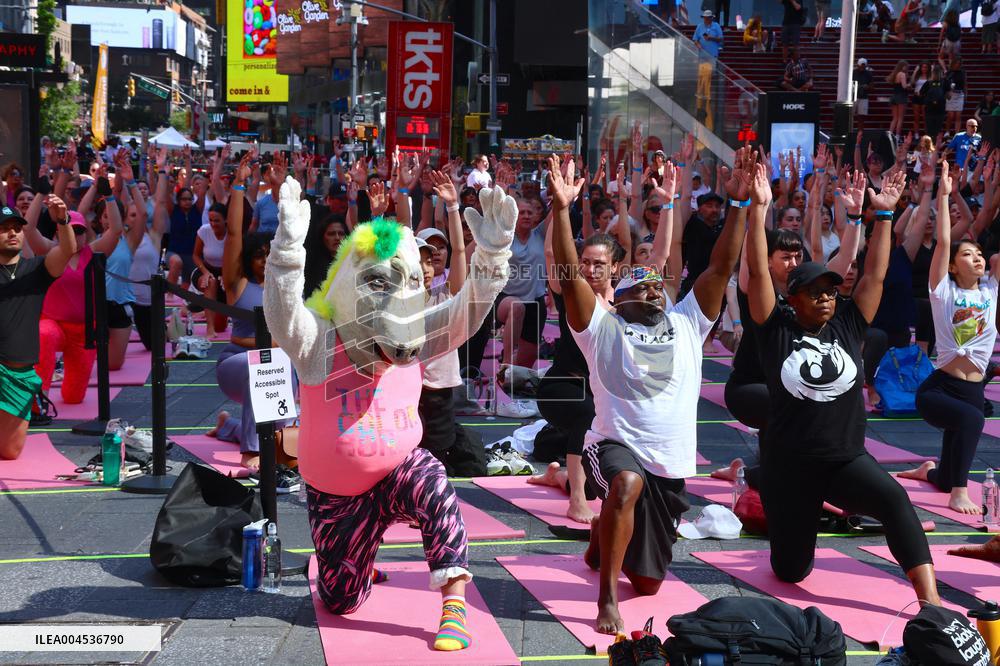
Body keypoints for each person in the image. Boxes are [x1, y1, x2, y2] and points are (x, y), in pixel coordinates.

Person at [263, 161, 516, 652]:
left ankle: (454, 603)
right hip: (336, 493)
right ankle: (360, 557)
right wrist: (287, 254)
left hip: (399, 468)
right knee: (340, 599)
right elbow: (282, 319)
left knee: (435, 484)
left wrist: (493, 254)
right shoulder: (320, 342)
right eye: (378, 284)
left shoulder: (413, 329)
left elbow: (466, 312)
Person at [551, 148, 748, 634]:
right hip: (612, 448)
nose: (653, 292)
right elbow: (571, 274)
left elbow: (720, 268)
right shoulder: (600, 327)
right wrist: (560, 210)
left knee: (651, 585)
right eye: (641, 288)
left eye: (659, 287)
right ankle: (606, 600)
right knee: (626, 485)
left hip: (670, 465)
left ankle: (602, 537)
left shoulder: (686, 321)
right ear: (618, 298)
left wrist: (740, 206)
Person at [744, 160, 940, 606]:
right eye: (816, 291)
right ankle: (757, 479)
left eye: (832, 289)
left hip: (845, 460)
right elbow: (758, 273)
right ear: (792, 298)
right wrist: (758, 210)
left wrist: (885, 215)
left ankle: (931, 603)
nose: (828, 295)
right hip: (789, 469)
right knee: (792, 571)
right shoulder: (775, 328)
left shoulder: (849, 324)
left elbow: (873, 275)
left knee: (895, 500)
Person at [900, 161, 998, 515]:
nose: (977, 259)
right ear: (953, 266)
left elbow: (989, 230)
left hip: (974, 392)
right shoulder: (944, 292)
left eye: (979, 255)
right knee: (973, 422)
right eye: (967, 255)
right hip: (939, 390)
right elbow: (944, 240)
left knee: (945, 467)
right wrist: (943, 194)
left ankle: (933, 473)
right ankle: (959, 491)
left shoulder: (992, 290)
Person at [206, 151, 297, 486]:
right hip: (235, 365)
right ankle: (251, 451)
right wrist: (241, 186)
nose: (264, 260)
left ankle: (230, 426)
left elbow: (292, 233)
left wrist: (281, 190)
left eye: (269, 255)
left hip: (274, 362)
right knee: (269, 364)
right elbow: (233, 235)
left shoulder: (285, 287)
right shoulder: (238, 284)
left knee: (277, 367)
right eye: (257, 256)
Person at [24, 176, 123, 406]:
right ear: (59, 230)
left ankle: (56, 393)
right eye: (69, 228)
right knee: (44, 335)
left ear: (85, 232)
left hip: (84, 332)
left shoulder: (93, 252)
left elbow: (116, 230)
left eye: (79, 230)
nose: (75, 234)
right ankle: (39, 397)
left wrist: (109, 197)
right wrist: (40, 194)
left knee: (73, 397)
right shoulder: (50, 250)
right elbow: (27, 229)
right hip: (53, 324)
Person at [0, 198, 76, 459]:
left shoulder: (36, 270)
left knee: (10, 453)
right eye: (4, 228)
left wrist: (62, 220)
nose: (12, 232)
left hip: (20, 374)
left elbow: (67, 250)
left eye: (17, 228)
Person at [694, 10, 724, 127]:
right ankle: (701, 97)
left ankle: (709, 97)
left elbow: (721, 38)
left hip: (712, 56)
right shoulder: (699, 26)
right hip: (702, 57)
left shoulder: (716, 26)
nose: (706, 19)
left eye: (708, 18)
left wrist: (711, 37)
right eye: (705, 18)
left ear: (711, 18)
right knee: (701, 77)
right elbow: (695, 39)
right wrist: (698, 45)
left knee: (710, 76)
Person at [887, 60, 910, 139]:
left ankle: (890, 134)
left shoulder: (895, 74)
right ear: (903, 66)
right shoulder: (902, 74)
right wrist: (909, 85)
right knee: (900, 118)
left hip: (894, 96)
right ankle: (897, 136)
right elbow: (904, 86)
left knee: (895, 118)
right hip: (901, 96)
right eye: (906, 66)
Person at [944, 57, 968, 135]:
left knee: (958, 115)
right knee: (950, 115)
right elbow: (945, 84)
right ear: (953, 63)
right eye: (956, 63)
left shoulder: (962, 72)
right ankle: (947, 131)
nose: (958, 65)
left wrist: (965, 95)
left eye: (959, 63)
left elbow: (965, 84)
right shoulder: (949, 72)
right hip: (951, 94)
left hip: (959, 94)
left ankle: (957, 133)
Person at [910, 61, 932, 135]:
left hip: (925, 97)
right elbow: (912, 82)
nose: (924, 69)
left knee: (925, 117)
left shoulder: (930, 77)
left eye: (926, 67)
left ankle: (926, 134)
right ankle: (916, 133)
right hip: (916, 97)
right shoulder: (917, 76)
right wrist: (915, 71)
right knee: (916, 117)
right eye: (923, 67)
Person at [854, 59, 875, 132]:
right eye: (861, 65)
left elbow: (872, 86)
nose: (862, 67)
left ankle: (860, 132)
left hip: (864, 97)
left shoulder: (868, 74)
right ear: (858, 65)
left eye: (864, 65)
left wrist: (867, 87)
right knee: (850, 115)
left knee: (861, 117)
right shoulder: (853, 73)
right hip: (854, 96)